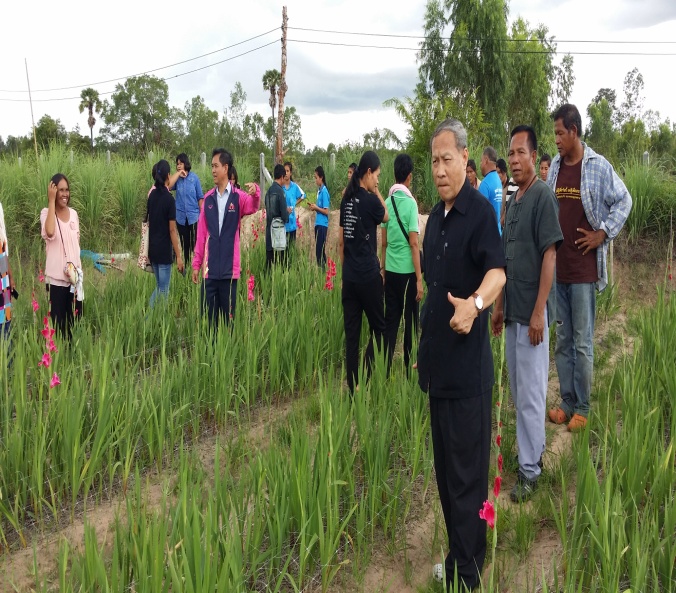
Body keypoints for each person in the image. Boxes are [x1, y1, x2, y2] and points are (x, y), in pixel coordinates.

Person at [417, 119, 505, 592]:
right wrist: (424, 349)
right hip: (438, 371)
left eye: (447, 159)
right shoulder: (436, 218)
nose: (439, 169)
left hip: (468, 375)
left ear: (466, 159)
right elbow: (434, 291)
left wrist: (475, 305)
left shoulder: (479, 213)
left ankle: (468, 576)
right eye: (434, 160)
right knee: (447, 475)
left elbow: (497, 272)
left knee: (468, 478)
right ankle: (457, 559)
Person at [546, 104, 632, 432]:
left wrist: (603, 233)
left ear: (574, 131)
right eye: (554, 133)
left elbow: (624, 200)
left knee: (582, 341)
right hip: (558, 269)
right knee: (563, 339)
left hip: (583, 270)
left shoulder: (597, 166)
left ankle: (583, 406)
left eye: (560, 133)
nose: (556, 139)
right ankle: (567, 401)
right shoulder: (555, 167)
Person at [491, 125, 563, 503]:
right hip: (513, 314)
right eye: (511, 153)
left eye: (521, 153)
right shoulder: (514, 199)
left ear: (534, 156)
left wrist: (539, 312)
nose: (515, 160)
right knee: (520, 393)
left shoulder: (542, 197)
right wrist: (499, 306)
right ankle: (531, 453)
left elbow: (550, 255)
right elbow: (505, 258)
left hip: (532, 319)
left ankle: (531, 470)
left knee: (532, 394)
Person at [192, 148, 260, 329]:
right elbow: (201, 235)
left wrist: (256, 192)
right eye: (212, 166)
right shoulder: (208, 199)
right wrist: (196, 265)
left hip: (230, 273)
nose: (213, 170)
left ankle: (227, 348)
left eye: (216, 166)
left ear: (226, 168)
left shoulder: (239, 197)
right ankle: (211, 347)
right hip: (210, 271)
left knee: (228, 323)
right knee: (209, 323)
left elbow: (253, 207)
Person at [339, 150, 389, 394]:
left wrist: (343, 274)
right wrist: (376, 192)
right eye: (377, 175)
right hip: (368, 276)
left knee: (352, 337)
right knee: (380, 329)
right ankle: (363, 380)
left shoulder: (346, 200)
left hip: (349, 278)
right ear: (368, 172)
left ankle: (352, 389)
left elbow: (341, 243)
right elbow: (386, 216)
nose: (377, 181)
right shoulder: (370, 201)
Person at [381, 153, 422, 372]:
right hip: (408, 274)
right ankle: (408, 370)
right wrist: (419, 279)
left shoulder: (387, 203)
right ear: (409, 176)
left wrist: (383, 269)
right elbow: (414, 244)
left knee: (391, 322)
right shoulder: (411, 204)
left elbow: (384, 243)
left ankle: (385, 370)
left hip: (390, 271)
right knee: (410, 323)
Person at [41, 174, 84, 340]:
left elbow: (77, 244)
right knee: (58, 328)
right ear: (53, 191)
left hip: (74, 280)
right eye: (60, 190)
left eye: (67, 190)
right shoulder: (46, 213)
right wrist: (51, 201)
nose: (65, 194)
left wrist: (78, 271)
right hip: (56, 283)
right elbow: (50, 232)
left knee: (75, 325)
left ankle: (73, 354)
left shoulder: (73, 214)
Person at [147, 160, 185, 308]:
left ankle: (150, 317)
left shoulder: (152, 196)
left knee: (159, 287)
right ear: (168, 175)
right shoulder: (169, 200)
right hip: (164, 252)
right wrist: (179, 256)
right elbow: (172, 230)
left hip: (153, 250)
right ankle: (151, 318)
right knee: (164, 290)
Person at [168, 153, 203, 267]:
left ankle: (196, 267)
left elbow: (200, 197)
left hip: (194, 217)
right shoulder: (177, 179)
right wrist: (178, 174)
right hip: (181, 218)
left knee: (195, 245)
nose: (178, 166)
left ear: (186, 164)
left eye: (181, 163)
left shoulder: (194, 178)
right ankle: (187, 267)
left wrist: (202, 215)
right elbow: (168, 185)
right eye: (177, 164)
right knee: (185, 245)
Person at [264, 164, 289, 268]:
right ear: (282, 177)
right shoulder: (280, 192)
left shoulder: (268, 192)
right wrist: (287, 212)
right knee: (282, 265)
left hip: (269, 232)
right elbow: (284, 216)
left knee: (270, 265)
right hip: (278, 233)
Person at [478, 146, 503, 233]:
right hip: (498, 232)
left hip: (488, 234)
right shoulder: (498, 180)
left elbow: (480, 214)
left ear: (486, 160)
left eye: (481, 161)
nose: (480, 164)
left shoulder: (485, 184)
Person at [309, 165, 330, 267]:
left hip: (322, 225)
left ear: (321, 177)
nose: (315, 180)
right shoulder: (320, 191)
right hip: (318, 224)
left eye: (316, 177)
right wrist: (314, 207)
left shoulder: (324, 192)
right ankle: (324, 271)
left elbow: (326, 211)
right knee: (319, 251)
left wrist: (316, 208)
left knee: (319, 252)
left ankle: (323, 271)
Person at [0, 201, 15, 344]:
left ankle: (7, 355)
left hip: (2, 271)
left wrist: (10, 274)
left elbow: (3, 242)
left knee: (5, 316)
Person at [283, 161, 306, 244]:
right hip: (282, 224)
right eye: (284, 171)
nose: (286, 173)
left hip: (292, 222)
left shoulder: (294, 186)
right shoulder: (280, 186)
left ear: (291, 173)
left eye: (287, 171)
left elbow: (303, 195)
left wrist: (294, 203)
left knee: (292, 246)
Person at [497, 158, 518, 229]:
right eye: (496, 173)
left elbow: (508, 209)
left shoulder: (510, 186)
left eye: (500, 172)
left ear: (505, 172)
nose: (498, 175)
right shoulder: (498, 187)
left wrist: (499, 224)